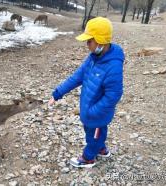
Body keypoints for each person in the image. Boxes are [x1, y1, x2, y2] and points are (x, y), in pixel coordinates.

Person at [48, 17, 125, 168]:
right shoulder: (93, 58)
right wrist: (57, 93)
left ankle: (88, 158)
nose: (86, 44)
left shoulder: (113, 66)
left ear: (100, 42)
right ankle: (101, 149)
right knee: (96, 132)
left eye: (89, 41)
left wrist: (92, 111)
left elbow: (113, 96)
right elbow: (77, 77)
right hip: (89, 111)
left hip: (97, 114)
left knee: (92, 136)